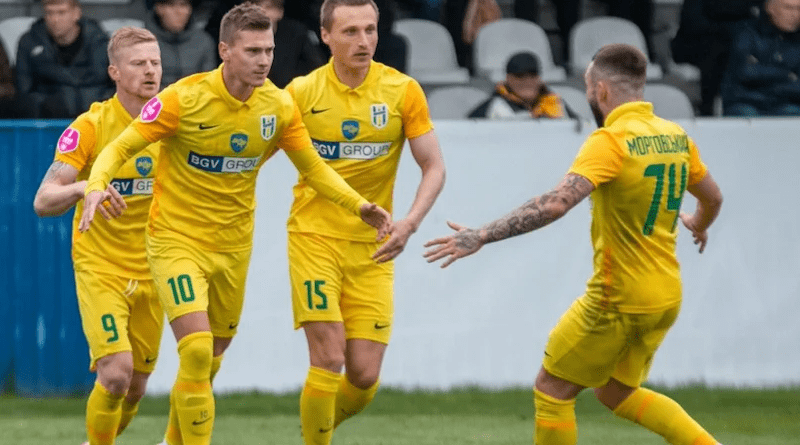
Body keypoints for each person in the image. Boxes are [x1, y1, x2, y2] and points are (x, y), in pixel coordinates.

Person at [78, 4, 390, 445]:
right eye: (252, 51)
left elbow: (314, 169)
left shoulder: (278, 106)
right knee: (197, 347)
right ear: (224, 50)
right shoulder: (182, 100)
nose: (264, 60)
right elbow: (119, 148)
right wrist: (95, 185)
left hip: (232, 248)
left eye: (268, 50)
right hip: (175, 241)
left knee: (210, 359)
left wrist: (359, 205)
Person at [424, 43, 724, 445]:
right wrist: (699, 225)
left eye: (587, 87)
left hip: (618, 297)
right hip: (665, 294)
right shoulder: (675, 136)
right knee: (616, 392)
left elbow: (555, 204)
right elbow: (713, 198)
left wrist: (481, 235)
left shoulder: (611, 140)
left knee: (552, 389)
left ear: (600, 90)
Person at [284, 1, 446, 444]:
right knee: (329, 356)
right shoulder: (300, 93)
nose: (364, 41)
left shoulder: (401, 90)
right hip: (313, 238)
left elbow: (433, 166)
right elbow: (252, 151)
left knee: (364, 376)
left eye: (370, 30)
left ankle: (315, 428)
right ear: (325, 36)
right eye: (351, 31)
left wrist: (409, 223)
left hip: (373, 247)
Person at [33, 27, 164, 445]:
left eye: (155, 62)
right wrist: (83, 187)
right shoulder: (90, 126)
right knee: (115, 375)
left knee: (136, 387)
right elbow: (43, 199)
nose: (150, 71)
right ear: (114, 71)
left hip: (155, 267)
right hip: (101, 266)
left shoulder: (173, 123)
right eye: (139, 63)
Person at [14, 0, 113, 118]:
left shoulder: (99, 40)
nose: (54, 20)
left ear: (76, 13)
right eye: (49, 13)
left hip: (95, 119)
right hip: (46, 121)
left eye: (61, 12)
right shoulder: (29, 42)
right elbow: (24, 90)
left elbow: (107, 82)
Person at [671, 0, 760, 116]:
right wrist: (733, 28)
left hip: (736, 43)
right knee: (716, 50)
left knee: (744, 49)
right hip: (696, 44)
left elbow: (758, 20)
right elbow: (694, 23)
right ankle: (708, 108)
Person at [720, 0, 800, 116]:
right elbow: (745, 71)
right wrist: (787, 75)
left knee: (793, 114)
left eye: (798, 9)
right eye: (788, 8)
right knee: (747, 114)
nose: (795, 14)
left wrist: (766, 77)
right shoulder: (747, 32)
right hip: (746, 101)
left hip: (784, 103)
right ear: (770, 8)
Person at [468, 51, 566, 119]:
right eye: (520, 76)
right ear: (508, 79)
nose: (527, 81)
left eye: (532, 75)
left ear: (539, 78)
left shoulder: (554, 101)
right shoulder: (494, 106)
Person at [145, 0, 217, 88]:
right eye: (171, 5)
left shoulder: (204, 41)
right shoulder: (141, 42)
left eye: (184, 5)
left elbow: (207, 85)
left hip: (193, 99)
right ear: (159, 8)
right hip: (154, 100)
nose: (178, 12)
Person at [255, 0, 326, 88]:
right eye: (257, 8)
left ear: (280, 12)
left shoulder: (298, 34)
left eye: (268, 8)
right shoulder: (243, 35)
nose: (262, 12)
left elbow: (318, 67)